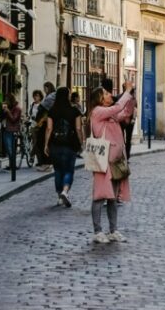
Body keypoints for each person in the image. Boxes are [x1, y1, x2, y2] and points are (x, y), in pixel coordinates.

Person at [87, 82, 136, 243]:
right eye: (106, 93)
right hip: (103, 162)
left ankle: (113, 230)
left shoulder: (109, 114)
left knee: (113, 197)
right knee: (100, 196)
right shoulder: (98, 112)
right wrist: (127, 92)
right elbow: (117, 108)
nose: (109, 95)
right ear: (100, 98)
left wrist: (130, 97)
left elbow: (125, 113)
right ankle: (97, 231)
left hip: (114, 161)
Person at [43, 87, 83, 207]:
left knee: (58, 170)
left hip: (55, 144)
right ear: (67, 96)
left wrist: (46, 144)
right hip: (70, 144)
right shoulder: (74, 110)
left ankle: (59, 195)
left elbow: (49, 128)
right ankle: (65, 191)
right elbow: (78, 128)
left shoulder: (52, 111)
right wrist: (81, 142)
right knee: (69, 169)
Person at [34, 82, 56, 171]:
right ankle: (45, 162)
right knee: (41, 143)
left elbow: (43, 108)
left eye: (45, 88)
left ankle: (47, 163)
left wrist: (38, 120)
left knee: (44, 142)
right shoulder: (49, 97)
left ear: (49, 88)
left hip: (46, 122)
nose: (44, 90)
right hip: (44, 122)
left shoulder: (50, 97)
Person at [0, 93, 22, 171]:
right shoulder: (7, 107)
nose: (5, 101)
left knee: (11, 148)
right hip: (6, 129)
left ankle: (13, 165)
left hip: (12, 130)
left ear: (10, 100)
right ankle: (11, 164)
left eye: (6, 100)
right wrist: (2, 111)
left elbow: (13, 119)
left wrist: (8, 111)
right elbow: (1, 118)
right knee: (8, 148)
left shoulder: (17, 109)